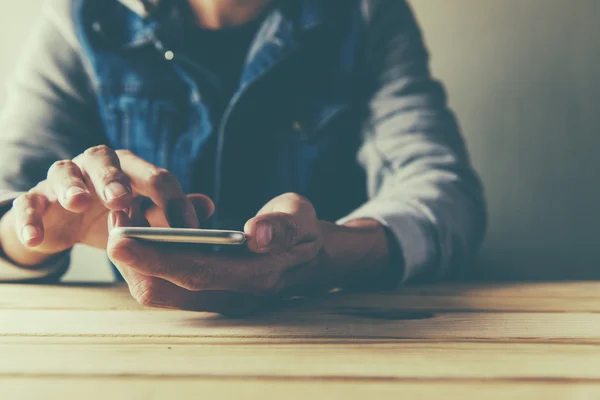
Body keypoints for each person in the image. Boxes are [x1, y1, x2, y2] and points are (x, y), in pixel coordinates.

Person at [0, 0, 486, 313]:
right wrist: (34, 232)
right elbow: (10, 198)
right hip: (148, 355)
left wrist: (329, 253)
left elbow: (444, 195)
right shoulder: (82, 19)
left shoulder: (365, 14)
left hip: (335, 345)